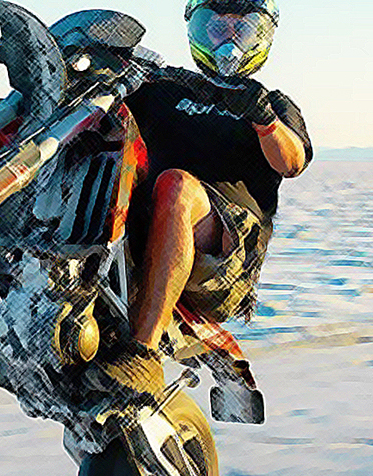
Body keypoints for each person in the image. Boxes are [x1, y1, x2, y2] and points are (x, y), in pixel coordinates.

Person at [96, 0, 314, 396]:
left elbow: (292, 161)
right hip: (142, 233)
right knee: (93, 156)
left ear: (259, 38)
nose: (228, 38)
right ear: (199, 32)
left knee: (176, 185)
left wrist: (263, 119)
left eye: (241, 30)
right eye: (217, 28)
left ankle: (142, 356)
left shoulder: (271, 103)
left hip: (225, 256)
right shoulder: (162, 90)